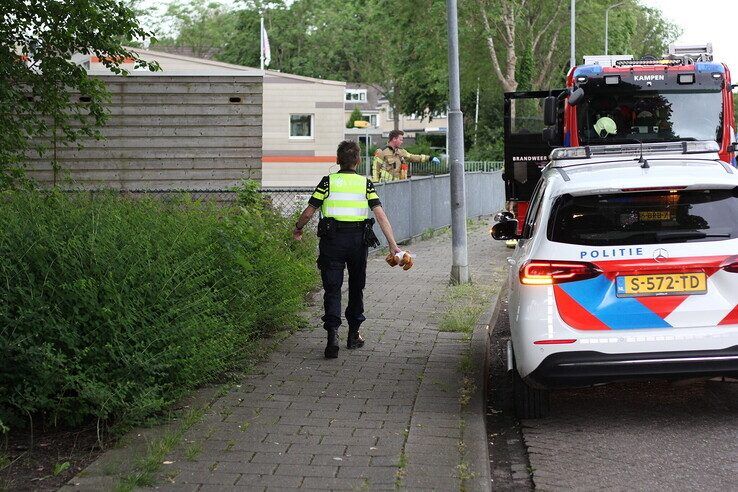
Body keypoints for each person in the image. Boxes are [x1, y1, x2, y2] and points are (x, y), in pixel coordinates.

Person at [293, 140, 402, 359]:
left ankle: (332, 337)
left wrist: (298, 229)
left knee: (332, 288)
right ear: (358, 161)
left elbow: (309, 212)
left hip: (331, 241)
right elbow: (380, 215)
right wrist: (392, 244)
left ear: (337, 160)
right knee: (356, 287)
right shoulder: (365, 184)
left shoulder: (328, 182)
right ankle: (353, 336)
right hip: (357, 242)